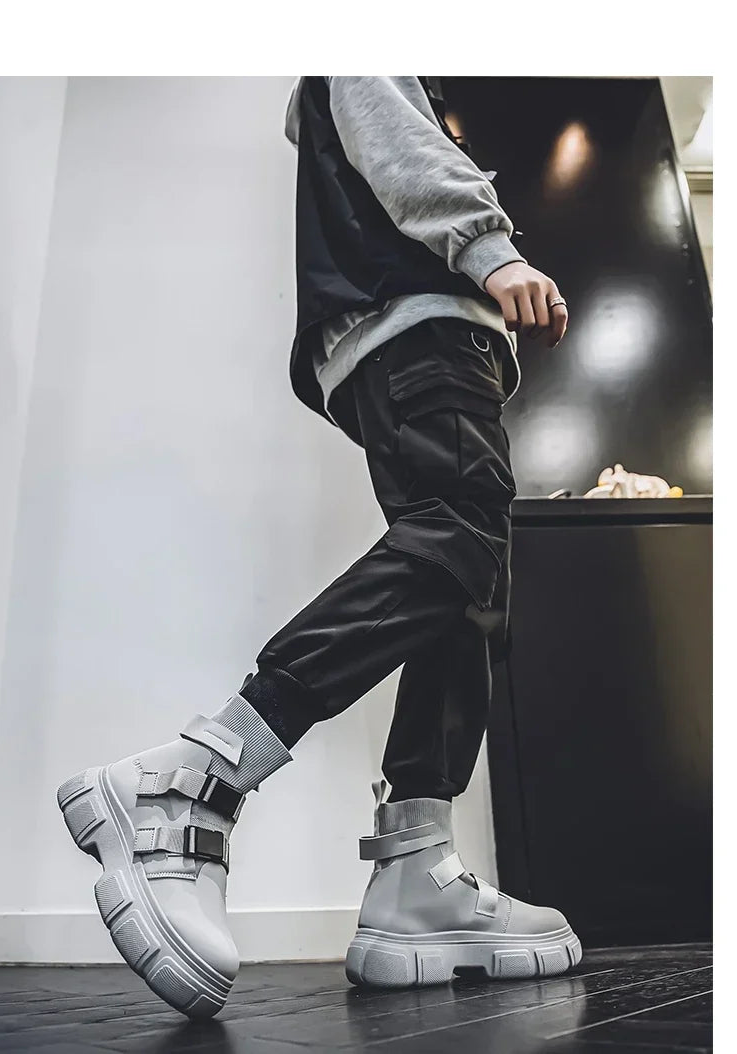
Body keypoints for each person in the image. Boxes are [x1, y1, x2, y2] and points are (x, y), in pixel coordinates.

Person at [57, 76, 578, 1020]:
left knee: (464, 583)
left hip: (406, 339)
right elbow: (402, 148)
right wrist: (490, 249)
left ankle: (417, 868)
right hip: (423, 330)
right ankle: (195, 779)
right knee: (460, 533)